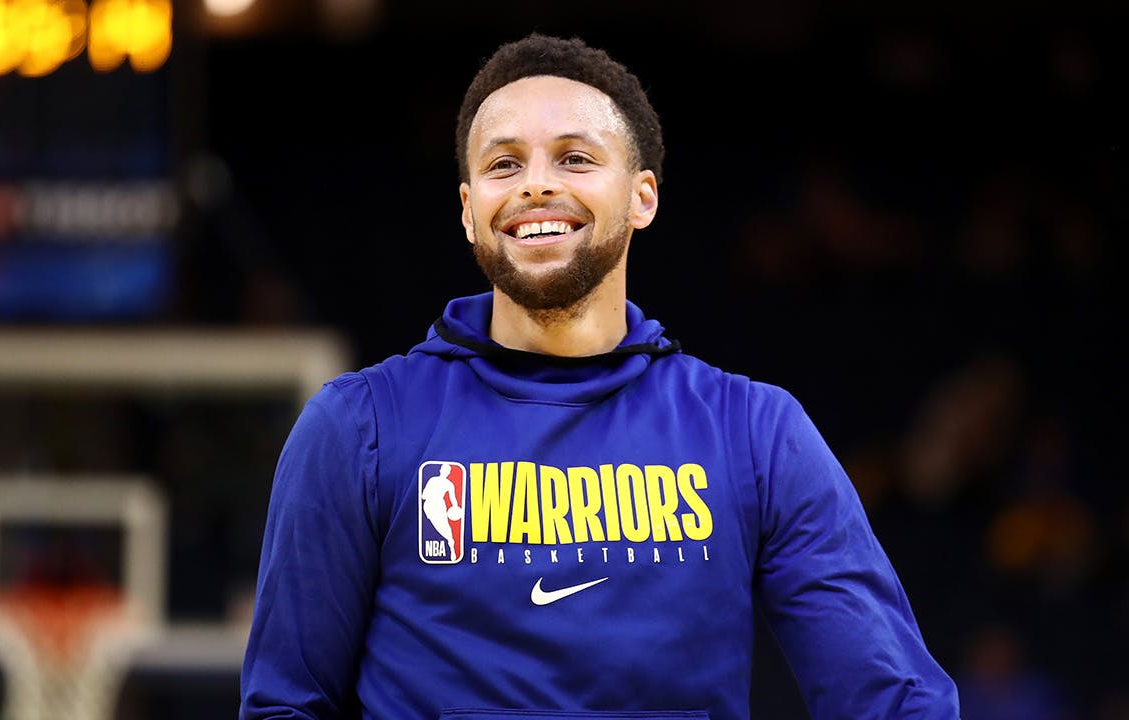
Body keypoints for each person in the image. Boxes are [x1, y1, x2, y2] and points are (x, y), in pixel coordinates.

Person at [239, 32, 960, 720]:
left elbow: (893, 700)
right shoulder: (359, 427)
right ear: (468, 211)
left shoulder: (752, 433)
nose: (537, 185)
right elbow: (284, 708)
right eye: (504, 164)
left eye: (575, 158)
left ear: (642, 196)